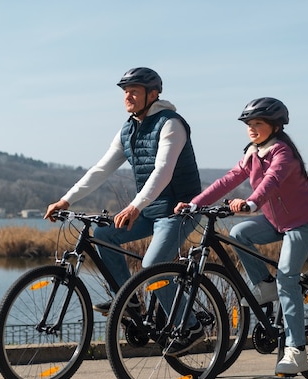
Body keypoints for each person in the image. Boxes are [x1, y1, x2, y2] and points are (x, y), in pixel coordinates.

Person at [44, 67, 203, 355]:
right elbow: (101, 169)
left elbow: (162, 172)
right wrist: (66, 200)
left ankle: (189, 325)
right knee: (104, 233)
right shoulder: (128, 129)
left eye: (134, 91)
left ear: (152, 95)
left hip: (179, 210)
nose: (127, 96)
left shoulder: (171, 124)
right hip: (150, 208)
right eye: (125, 91)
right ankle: (127, 298)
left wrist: (134, 206)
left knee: (153, 267)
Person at [174, 97, 308, 375]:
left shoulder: (283, 153)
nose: (251, 129)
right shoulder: (252, 152)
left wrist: (251, 203)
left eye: (258, 124)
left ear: (275, 126)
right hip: (274, 222)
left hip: (302, 224)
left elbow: (271, 181)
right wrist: (195, 203)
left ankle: (296, 350)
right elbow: (228, 180)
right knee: (239, 232)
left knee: (288, 278)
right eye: (249, 124)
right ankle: (265, 285)